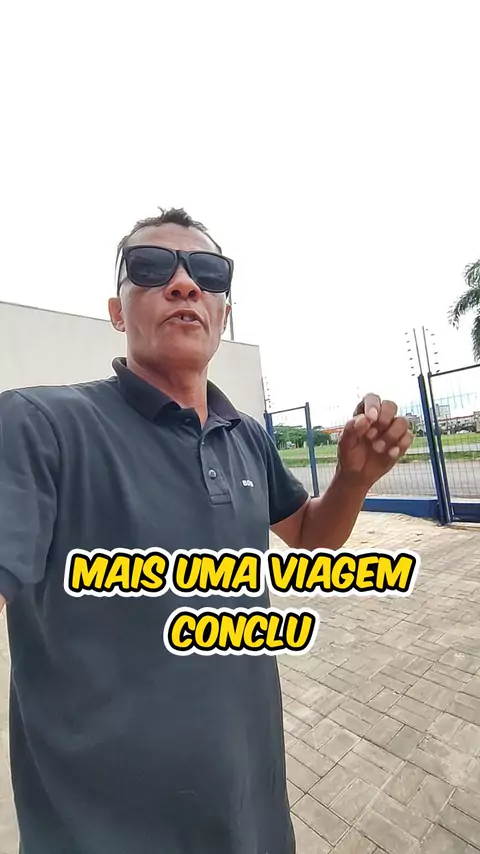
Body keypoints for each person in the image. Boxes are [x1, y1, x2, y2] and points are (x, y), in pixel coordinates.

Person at [0, 207, 413, 854]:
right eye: (151, 267)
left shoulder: (245, 435)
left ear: (223, 311)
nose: (185, 283)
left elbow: (310, 537)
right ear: (116, 312)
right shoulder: (40, 427)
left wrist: (353, 481)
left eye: (208, 273)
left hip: (252, 813)